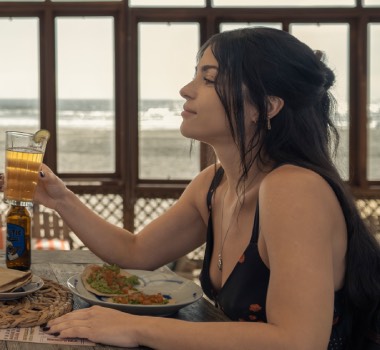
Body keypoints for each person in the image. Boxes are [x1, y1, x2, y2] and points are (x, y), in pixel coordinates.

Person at [37, 27, 380, 349]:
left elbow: (297, 341)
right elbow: (135, 252)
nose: (186, 90)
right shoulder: (214, 184)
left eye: (209, 79)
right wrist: (62, 199)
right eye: (196, 75)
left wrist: (135, 328)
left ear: (265, 107)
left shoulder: (295, 189)